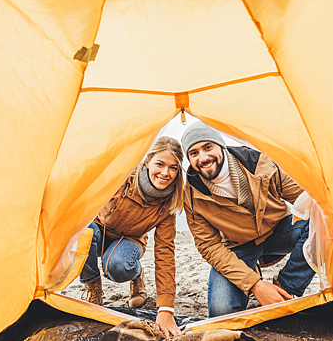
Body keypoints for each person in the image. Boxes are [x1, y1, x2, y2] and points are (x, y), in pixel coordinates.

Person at [181, 121, 315, 318]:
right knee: (222, 313)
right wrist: (255, 284)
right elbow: (209, 246)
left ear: (221, 146)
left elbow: (307, 199)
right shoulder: (192, 195)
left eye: (207, 147)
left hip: (279, 230)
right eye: (194, 153)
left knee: (319, 221)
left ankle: (286, 289)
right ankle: (254, 275)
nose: (203, 157)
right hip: (238, 246)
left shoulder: (261, 163)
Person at [79, 136, 184, 338]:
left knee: (117, 267)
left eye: (173, 168)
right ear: (147, 161)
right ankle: (93, 286)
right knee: (83, 232)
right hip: (100, 228)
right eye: (160, 164)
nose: (165, 173)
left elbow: (165, 253)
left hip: (131, 239)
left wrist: (165, 308)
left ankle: (136, 275)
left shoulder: (169, 204)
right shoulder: (122, 177)